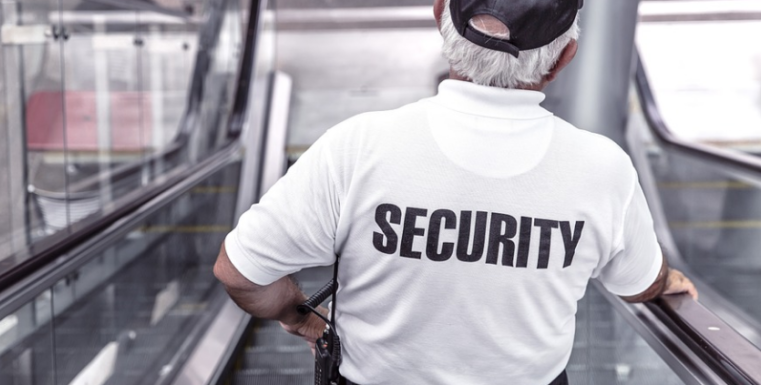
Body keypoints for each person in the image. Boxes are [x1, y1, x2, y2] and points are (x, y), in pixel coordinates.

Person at [213, 0, 698, 383]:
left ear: (440, 12)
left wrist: (301, 317)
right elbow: (639, 284)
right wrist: (665, 280)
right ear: (562, 59)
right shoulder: (603, 169)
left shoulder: (358, 146)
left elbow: (239, 272)